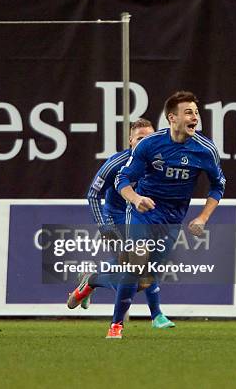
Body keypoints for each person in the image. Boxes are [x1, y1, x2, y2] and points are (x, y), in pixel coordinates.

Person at [107, 91, 226, 339]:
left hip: (173, 218)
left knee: (146, 279)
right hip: (145, 210)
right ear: (172, 118)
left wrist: (202, 217)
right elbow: (123, 179)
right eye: (188, 112)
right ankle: (116, 325)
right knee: (135, 262)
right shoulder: (150, 145)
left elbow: (218, 185)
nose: (195, 117)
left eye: (196, 112)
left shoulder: (205, 150)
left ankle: (94, 280)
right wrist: (136, 198)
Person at [67, 119, 175, 329]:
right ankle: (157, 316)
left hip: (144, 218)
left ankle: (92, 279)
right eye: (140, 138)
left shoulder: (160, 164)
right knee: (137, 271)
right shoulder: (116, 163)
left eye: (150, 138)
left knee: (140, 274)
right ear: (130, 141)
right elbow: (93, 194)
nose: (146, 143)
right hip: (116, 218)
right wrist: (103, 227)